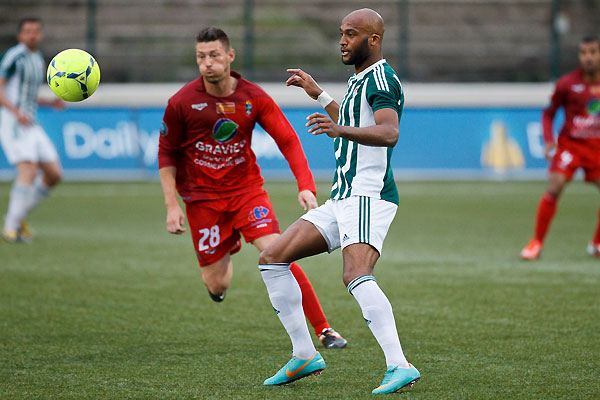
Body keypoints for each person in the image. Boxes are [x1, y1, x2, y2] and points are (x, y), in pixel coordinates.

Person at [258, 8, 419, 394]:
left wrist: (338, 128)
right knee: (273, 258)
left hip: (368, 195)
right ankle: (304, 354)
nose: (343, 40)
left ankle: (399, 365)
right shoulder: (360, 79)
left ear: (374, 40)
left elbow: (388, 132)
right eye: (341, 33)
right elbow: (351, 118)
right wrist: (321, 95)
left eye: (351, 33)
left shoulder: (382, 79)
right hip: (343, 197)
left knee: (356, 275)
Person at [157, 27, 346, 349]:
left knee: (279, 254)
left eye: (214, 55)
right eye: (201, 57)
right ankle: (227, 249)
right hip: (202, 200)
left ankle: (325, 330)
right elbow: (166, 154)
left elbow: (287, 139)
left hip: (246, 192)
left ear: (230, 56)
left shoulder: (252, 97)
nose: (207, 63)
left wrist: (305, 186)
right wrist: (172, 205)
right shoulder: (182, 103)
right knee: (216, 284)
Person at [521, 36, 600, 260]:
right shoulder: (568, 83)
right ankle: (536, 242)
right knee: (555, 186)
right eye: (584, 53)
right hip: (571, 146)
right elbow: (548, 113)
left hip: (597, 148)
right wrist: (548, 140)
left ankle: (596, 243)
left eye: (593, 52)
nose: (589, 58)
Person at [0, 17, 64, 243]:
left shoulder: (37, 59)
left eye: (36, 30)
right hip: (14, 122)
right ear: (20, 35)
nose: (32, 35)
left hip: (31, 122)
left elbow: (27, 95)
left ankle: (17, 217)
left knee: (54, 174)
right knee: (28, 169)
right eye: (27, 31)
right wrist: (15, 111)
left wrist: (49, 102)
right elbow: (1, 90)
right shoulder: (14, 57)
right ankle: (11, 228)